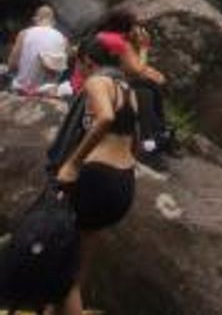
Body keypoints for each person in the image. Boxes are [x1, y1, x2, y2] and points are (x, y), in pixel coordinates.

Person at [54, 36, 138, 315]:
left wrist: (73, 163)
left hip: (98, 179)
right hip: (124, 183)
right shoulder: (127, 88)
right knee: (78, 270)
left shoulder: (96, 81)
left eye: (80, 66)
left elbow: (105, 118)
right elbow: (132, 136)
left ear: (87, 61)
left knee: (62, 271)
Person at [92, 8, 169, 168]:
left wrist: (151, 72)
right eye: (135, 26)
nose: (138, 29)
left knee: (148, 87)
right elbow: (137, 69)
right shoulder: (120, 42)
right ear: (127, 26)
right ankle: (153, 139)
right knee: (146, 92)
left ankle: (155, 136)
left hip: (103, 80)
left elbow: (127, 67)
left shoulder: (105, 36)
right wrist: (144, 47)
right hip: (105, 85)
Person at [8, 4, 69, 95]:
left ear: (35, 19)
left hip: (22, 89)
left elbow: (12, 65)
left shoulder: (24, 33)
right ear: (53, 22)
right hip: (48, 91)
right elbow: (61, 70)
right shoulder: (63, 39)